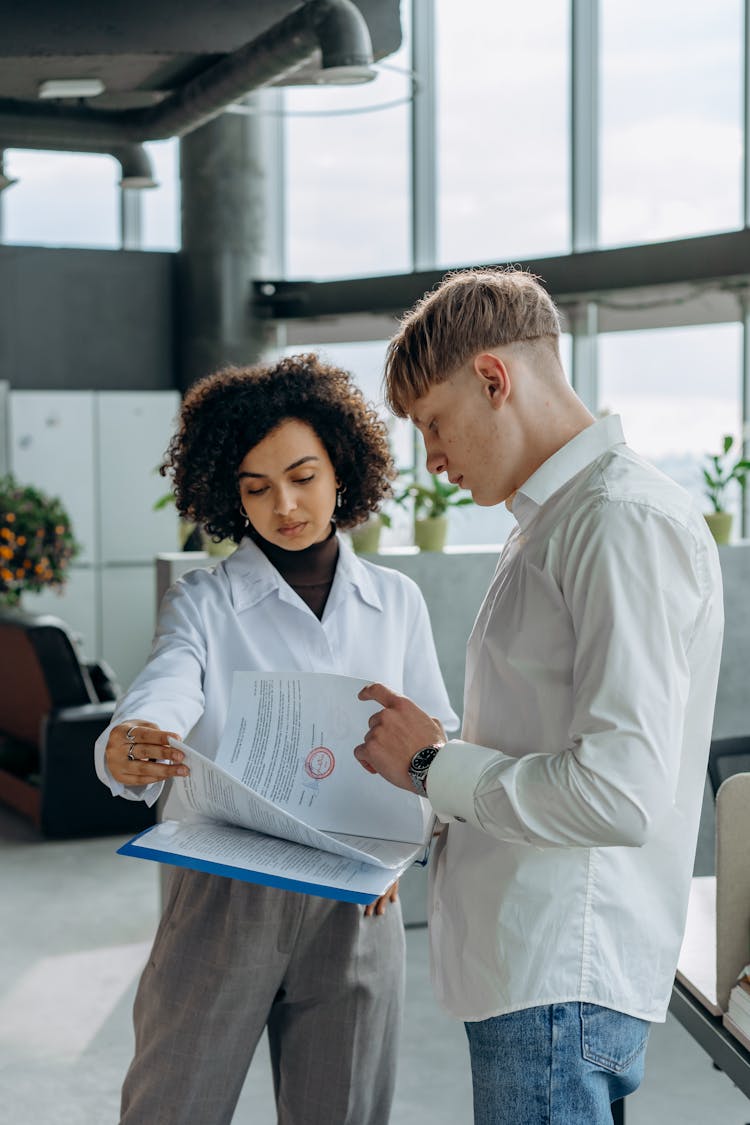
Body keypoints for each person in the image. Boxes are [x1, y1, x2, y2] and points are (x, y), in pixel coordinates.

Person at [354, 269, 725, 1125]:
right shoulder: (555, 522)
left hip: (558, 978)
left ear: (494, 379)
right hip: (534, 974)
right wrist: (423, 784)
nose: (432, 458)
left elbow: (618, 792)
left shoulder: (618, 522)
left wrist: (428, 762)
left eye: (434, 424)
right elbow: (537, 742)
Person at [94, 354, 457, 1125]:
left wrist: (406, 841)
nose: (284, 504)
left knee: (345, 1111)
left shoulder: (396, 602)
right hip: (225, 894)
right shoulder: (205, 599)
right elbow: (169, 679)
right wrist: (135, 737)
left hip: (356, 900)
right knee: (172, 1105)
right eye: (255, 487)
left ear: (341, 468)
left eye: (302, 475)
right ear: (229, 494)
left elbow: (437, 740)